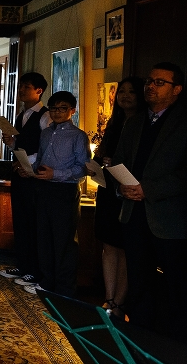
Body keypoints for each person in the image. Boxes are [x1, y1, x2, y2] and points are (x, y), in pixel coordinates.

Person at [112, 62, 187, 338]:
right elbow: (119, 160)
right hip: (134, 214)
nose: (150, 86)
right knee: (139, 281)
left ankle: (173, 344)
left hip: (170, 220)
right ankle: (139, 338)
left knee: (175, 286)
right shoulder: (134, 121)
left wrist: (149, 189)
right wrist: (123, 188)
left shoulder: (183, 121)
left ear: (176, 89)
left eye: (159, 82)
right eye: (149, 81)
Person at [18, 91, 89, 296]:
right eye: (54, 108)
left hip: (64, 190)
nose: (57, 112)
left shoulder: (78, 135)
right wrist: (30, 169)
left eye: (62, 108)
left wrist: (55, 174)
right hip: (43, 188)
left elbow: (82, 169)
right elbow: (40, 158)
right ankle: (47, 281)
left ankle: (65, 289)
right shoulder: (46, 132)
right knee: (44, 237)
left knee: (64, 241)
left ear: (72, 111)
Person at [91, 77, 145, 317]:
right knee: (108, 245)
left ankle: (120, 303)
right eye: (121, 91)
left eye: (131, 92)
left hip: (129, 192)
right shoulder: (114, 123)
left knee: (124, 248)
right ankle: (109, 298)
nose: (125, 96)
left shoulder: (144, 124)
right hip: (108, 190)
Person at [0, 72, 51, 288]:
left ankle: (34, 269)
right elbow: (21, 145)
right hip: (20, 174)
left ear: (38, 91)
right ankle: (22, 264)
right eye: (20, 86)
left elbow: (46, 148)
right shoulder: (22, 115)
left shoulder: (46, 116)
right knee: (19, 220)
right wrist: (11, 143)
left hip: (35, 177)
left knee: (32, 223)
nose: (20, 90)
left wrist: (26, 163)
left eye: (26, 87)